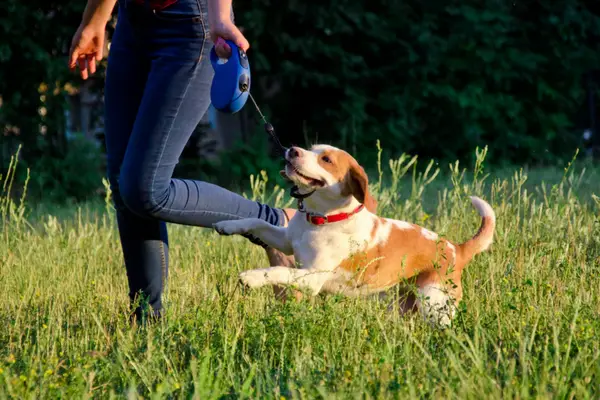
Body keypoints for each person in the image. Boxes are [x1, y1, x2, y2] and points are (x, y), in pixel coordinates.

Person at [68, 0, 296, 322]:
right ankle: (146, 322)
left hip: (191, 24)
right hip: (133, 25)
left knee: (145, 189)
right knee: (124, 184)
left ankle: (270, 221)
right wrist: (96, 19)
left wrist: (219, 16)